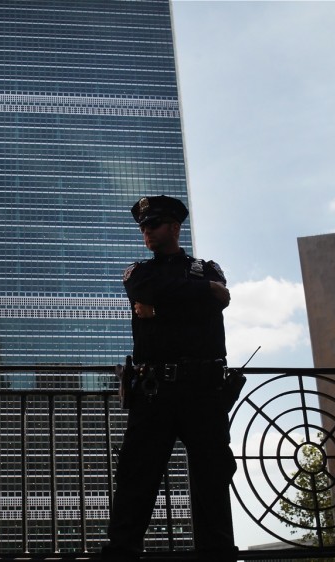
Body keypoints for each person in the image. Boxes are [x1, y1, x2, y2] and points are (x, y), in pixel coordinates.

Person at [102, 196, 237, 562]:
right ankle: (121, 552)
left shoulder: (206, 268)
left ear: (175, 228)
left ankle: (218, 553)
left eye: (153, 225)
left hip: (203, 389)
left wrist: (159, 309)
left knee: (211, 474)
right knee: (135, 476)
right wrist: (196, 300)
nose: (145, 231)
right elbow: (150, 294)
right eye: (143, 226)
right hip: (153, 390)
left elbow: (210, 299)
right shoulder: (138, 272)